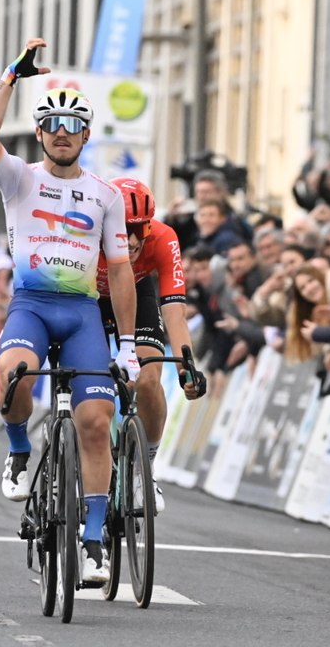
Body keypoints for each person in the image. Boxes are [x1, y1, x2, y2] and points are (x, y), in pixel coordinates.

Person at [0, 38, 139, 584]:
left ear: (86, 135)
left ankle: (92, 542)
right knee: (15, 373)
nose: (62, 132)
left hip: (82, 313)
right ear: (40, 133)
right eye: (52, 124)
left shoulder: (106, 196)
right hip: (33, 306)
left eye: (72, 124)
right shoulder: (20, 178)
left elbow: (119, 272)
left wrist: (128, 346)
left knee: (96, 421)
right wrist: (10, 78)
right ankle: (20, 450)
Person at [95, 178, 207, 513]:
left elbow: (175, 310)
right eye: (123, 229)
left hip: (137, 293)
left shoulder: (163, 237)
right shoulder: (86, 233)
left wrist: (187, 365)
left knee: (147, 379)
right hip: (88, 298)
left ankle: (143, 469)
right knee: (88, 384)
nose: (131, 240)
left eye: (139, 229)